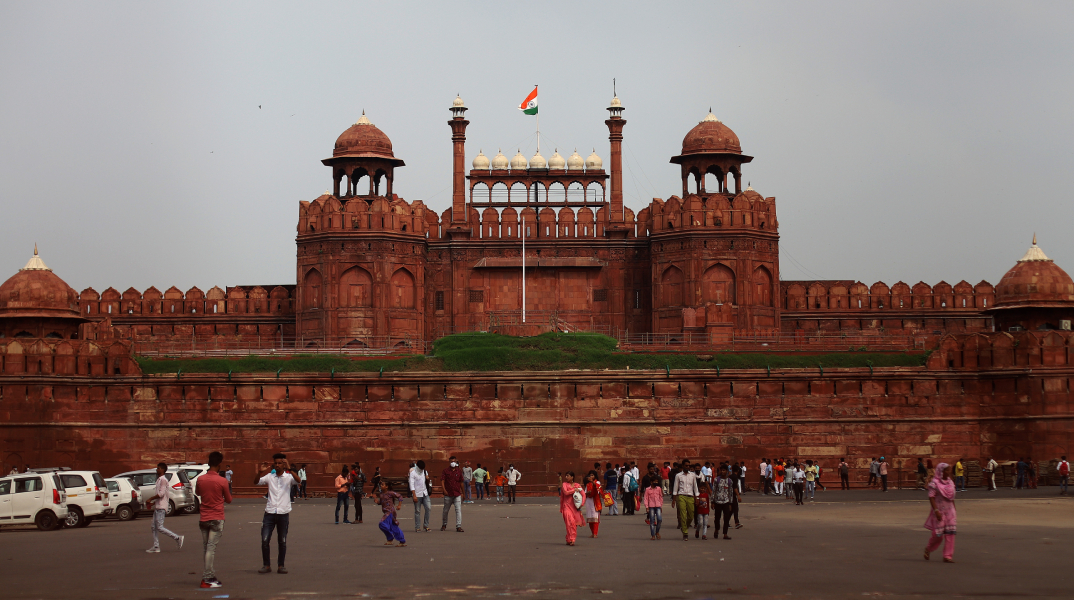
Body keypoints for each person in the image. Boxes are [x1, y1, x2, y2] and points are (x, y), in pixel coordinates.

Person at [195, 451, 232, 589]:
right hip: (216, 516)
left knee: (207, 548)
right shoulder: (222, 481)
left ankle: (209, 574)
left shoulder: (201, 479)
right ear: (219, 464)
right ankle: (207, 577)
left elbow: (198, 493)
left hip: (204, 517)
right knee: (211, 548)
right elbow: (228, 500)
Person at [255, 453, 294, 574]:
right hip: (270, 512)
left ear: (284, 464)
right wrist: (259, 472)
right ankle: (266, 565)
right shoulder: (269, 477)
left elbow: (298, 481)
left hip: (283, 513)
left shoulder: (288, 477)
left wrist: (290, 469)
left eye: (279, 463)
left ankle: (281, 565)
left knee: (282, 541)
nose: (277, 465)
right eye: (275, 463)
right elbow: (256, 482)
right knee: (265, 540)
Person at [145, 462, 184, 553]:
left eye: (158, 468)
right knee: (154, 527)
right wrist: (153, 504)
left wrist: (150, 498)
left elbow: (161, 494)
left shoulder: (163, 480)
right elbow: (161, 496)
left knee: (159, 527)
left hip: (161, 507)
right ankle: (156, 546)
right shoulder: (159, 480)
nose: (157, 469)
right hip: (158, 506)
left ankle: (177, 537)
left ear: (163, 470)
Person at [923, 462, 957, 563]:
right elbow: (931, 497)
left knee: (950, 534)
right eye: (946, 470)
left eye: (949, 469)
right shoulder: (935, 483)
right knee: (938, 535)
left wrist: (954, 509)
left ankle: (947, 556)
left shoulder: (950, 482)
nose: (948, 472)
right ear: (941, 471)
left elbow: (952, 497)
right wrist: (936, 510)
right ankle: (929, 548)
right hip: (939, 511)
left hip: (950, 511)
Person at [374, 480, 406, 547]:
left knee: (382, 523)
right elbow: (382, 502)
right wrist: (377, 502)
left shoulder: (390, 493)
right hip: (386, 511)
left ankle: (390, 536)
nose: (381, 486)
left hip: (390, 512)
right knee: (394, 526)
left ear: (386, 486)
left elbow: (400, 496)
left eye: (383, 485)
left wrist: (399, 505)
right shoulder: (381, 494)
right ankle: (400, 541)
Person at [673, 460, 698, 541]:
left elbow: (695, 487)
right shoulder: (678, 475)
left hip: (690, 496)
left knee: (691, 515)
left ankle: (684, 527)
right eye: (686, 465)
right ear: (683, 466)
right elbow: (675, 488)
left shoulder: (693, 475)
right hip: (681, 496)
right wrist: (674, 500)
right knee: (683, 515)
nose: (688, 467)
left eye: (688, 466)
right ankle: (685, 533)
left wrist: (697, 497)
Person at [713, 465, 740, 539]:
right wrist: (712, 501)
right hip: (718, 501)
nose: (722, 472)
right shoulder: (716, 480)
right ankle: (716, 530)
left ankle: (725, 533)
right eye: (721, 470)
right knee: (717, 518)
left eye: (724, 470)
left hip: (726, 502)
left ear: (727, 471)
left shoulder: (729, 481)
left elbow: (730, 493)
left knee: (726, 518)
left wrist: (730, 503)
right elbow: (714, 491)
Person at [558, 471, 583, 546]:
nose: (566, 477)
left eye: (568, 476)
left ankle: (569, 538)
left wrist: (582, 504)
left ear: (572, 477)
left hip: (575, 507)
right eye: (566, 476)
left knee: (574, 524)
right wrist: (574, 490)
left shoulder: (577, 485)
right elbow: (565, 492)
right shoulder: (564, 485)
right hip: (566, 506)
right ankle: (572, 539)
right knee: (570, 522)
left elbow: (583, 495)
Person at [441, 456, 464, 532]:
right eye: (451, 461)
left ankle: (458, 526)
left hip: (457, 493)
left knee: (458, 510)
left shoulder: (459, 471)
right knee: (445, 510)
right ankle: (444, 524)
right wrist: (444, 490)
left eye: (454, 461)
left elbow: (461, 482)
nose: (452, 463)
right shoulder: (445, 471)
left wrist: (463, 493)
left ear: (456, 462)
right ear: (449, 462)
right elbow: (442, 481)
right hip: (448, 493)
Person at [409, 460, 431, 532]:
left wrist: (428, 479)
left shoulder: (424, 472)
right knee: (417, 511)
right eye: (421, 468)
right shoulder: (413, 473)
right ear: (417, 467)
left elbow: (427, 480)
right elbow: (411, 485)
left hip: (425, 493)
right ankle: (417, 527)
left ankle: (426, 525)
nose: (422, 469)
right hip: (417, 494)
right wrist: (414, 495)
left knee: (428, 508)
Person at [643, 472, 663, 540]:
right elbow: (645, 498)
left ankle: (657, 531)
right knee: (652, 521)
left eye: (657, 481)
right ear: (651, 482)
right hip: (651, 506)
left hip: (658, 505)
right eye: (654, 481)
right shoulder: (647, 489)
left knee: (659, 519)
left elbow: (661, 497)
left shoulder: (659, 488)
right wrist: (646, 507)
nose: (656, 482)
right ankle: (653, 535)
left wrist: (661, 505)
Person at [583, 470, 603, 537]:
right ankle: (592, 532)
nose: (591, 476)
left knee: (595, 517)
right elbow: (585, 493)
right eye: (590, 475)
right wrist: (587, 493)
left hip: (595, 501)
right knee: (590, 517)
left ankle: (595, 533)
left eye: (592, 475)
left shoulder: (597, 482)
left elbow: (598, 491)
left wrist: (592, 482)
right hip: (589, 501)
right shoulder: (588, 484)